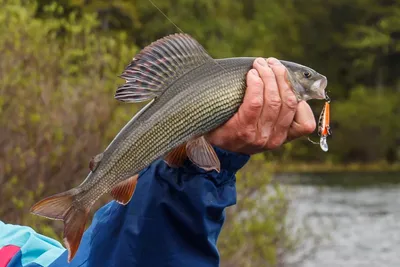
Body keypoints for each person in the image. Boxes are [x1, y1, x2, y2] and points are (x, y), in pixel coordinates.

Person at [0, 58, 316, 267]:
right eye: (306, 76)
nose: (312, 81)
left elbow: (114, 258)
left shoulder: (18, 252)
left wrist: (191, 174)